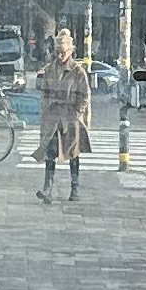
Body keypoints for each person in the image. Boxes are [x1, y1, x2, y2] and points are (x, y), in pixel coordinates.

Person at [34, 26, 91, 202]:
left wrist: (77, 113)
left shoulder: (78, 71)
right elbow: (44, 93)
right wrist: (46, 111)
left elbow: (84, 95)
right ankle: (47, 189)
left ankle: (75, 189)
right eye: (57, 52)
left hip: (70, 118)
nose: (60, 56)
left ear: (70, 51)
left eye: (63, 52)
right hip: (52, 118)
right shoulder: (49, 69)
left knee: (73, 153)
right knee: (50, 153)